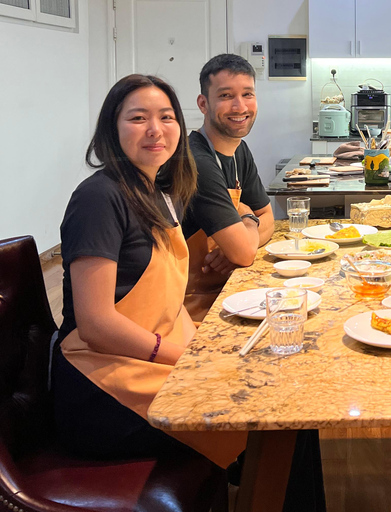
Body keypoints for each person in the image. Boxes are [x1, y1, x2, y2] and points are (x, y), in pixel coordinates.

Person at [51, 75, 325, 511]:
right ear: (111, 129)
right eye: (138, 118)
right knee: (280, 417)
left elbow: (168, 299)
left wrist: (202, 350)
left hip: (144, 361)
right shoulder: (99, 198)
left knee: (287, 396)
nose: (155, 130)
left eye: (166, 117)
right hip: (103, 387)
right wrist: (185, 359)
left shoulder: (158, 190)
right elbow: (96, 323)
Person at [183, 53, 275, 323]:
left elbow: (269, 218)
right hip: (188, 304)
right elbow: (246, 251)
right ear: (203, 104)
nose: (239, 106)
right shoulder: (196, 160)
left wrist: (238, 243)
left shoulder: (239, 151)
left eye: (247, 94)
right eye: (225, 96)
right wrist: (247, 218)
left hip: (225, 287)